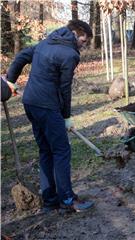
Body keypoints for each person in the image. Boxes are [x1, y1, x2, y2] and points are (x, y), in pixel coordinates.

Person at [6, 20, 95, 213]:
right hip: (47, 107)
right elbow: (65, 89)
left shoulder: (47, 42)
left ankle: (50, 200)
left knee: (45, 150)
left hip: (30, 103)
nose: (84, 44)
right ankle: (67, 199)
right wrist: (66, 117)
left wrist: (9, 81)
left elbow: (22, 56)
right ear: (75, 33)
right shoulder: (70, 54)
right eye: (84, 40)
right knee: (62, 151)